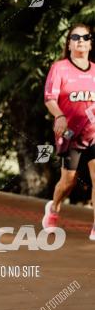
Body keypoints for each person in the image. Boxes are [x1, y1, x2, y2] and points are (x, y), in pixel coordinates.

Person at [43, 22, 95, 241]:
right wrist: (60, 116)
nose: (80, 41)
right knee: (69, 182)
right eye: (75, 37)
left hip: (94, 132)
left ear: (91, 43)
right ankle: (53, 208)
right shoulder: (60, 67)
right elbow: (50, 99)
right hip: (70, 134)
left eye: (85, 37)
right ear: (69, 43)